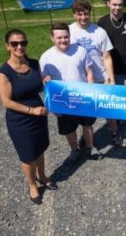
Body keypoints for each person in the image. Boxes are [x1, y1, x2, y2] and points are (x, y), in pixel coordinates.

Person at [0, 29, 54, 205]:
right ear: (8, 46)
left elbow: (37, 86)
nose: (19, 46)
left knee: (40, 147)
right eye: (14, 43)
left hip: (39, 115)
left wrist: (44, 81)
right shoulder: (4, 72)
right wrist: (31, 111)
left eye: (23, 43)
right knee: (28, 155)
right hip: (20, 120)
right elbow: (6, 102)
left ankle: (42, 176)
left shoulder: (34, 64)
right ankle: (32, 185)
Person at [39, 23, 99, 162]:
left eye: (66, 37)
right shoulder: (46, 57)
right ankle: (74, 150)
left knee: (87, 124)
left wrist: (91, 92)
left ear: (70, 36)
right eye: (59, 37)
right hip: (63, 100)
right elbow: (43, 81)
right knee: (68, 129)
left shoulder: (80, 50)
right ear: (52, 38)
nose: (63, 40)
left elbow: (89, 72)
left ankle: (90, 147)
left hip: (83, 96)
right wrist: (45, 80)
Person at [69, 0, 115, 150]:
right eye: (79, 14)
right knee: (86, 113)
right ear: (74, 14)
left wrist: (111, 79)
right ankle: (87, 139)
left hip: (100, 77)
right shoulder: (68, 32)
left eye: (86, 14)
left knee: (109, 110)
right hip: (80, 81)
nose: (83, 17)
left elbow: (106, 57)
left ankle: (114, 133)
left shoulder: (99, 32)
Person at [98, 0, 126, 146]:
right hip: (113, 68)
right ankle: (115, 128)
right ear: (108, 4)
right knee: (115, 99)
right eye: (114, 4)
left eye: (120, 4)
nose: (117, 8)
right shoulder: (102, 23)